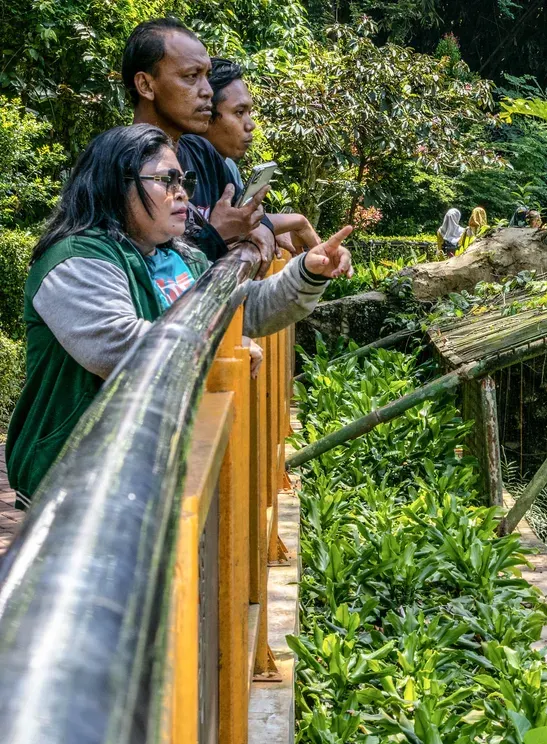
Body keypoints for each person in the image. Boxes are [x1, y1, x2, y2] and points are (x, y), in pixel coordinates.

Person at [4, 124, 353, 508]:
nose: (182, 192)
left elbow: (244, 308)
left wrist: (308, 270)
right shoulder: (75, 260)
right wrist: (221, 341)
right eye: (166, 180)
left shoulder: (178, 254)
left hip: (146, 467)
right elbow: (120, 347)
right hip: (74, 477)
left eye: (183, 179)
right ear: (115, 184)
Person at [122, 18, 274, 264]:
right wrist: (216, 235)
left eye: (207, 76)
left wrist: (262, 226)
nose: (208, 91)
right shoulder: (123, 167)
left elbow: (246, 212)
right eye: (192, 76)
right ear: (146, 85)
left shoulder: (202, 152)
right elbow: (146, 270)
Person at [203, 58, 321, 255]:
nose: (251, 125)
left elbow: (245, 220)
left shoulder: (228, 166)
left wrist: (270, 227)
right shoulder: (178, 168)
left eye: (249, 112)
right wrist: (296, 221)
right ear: (205, 111)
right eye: (239, 112)